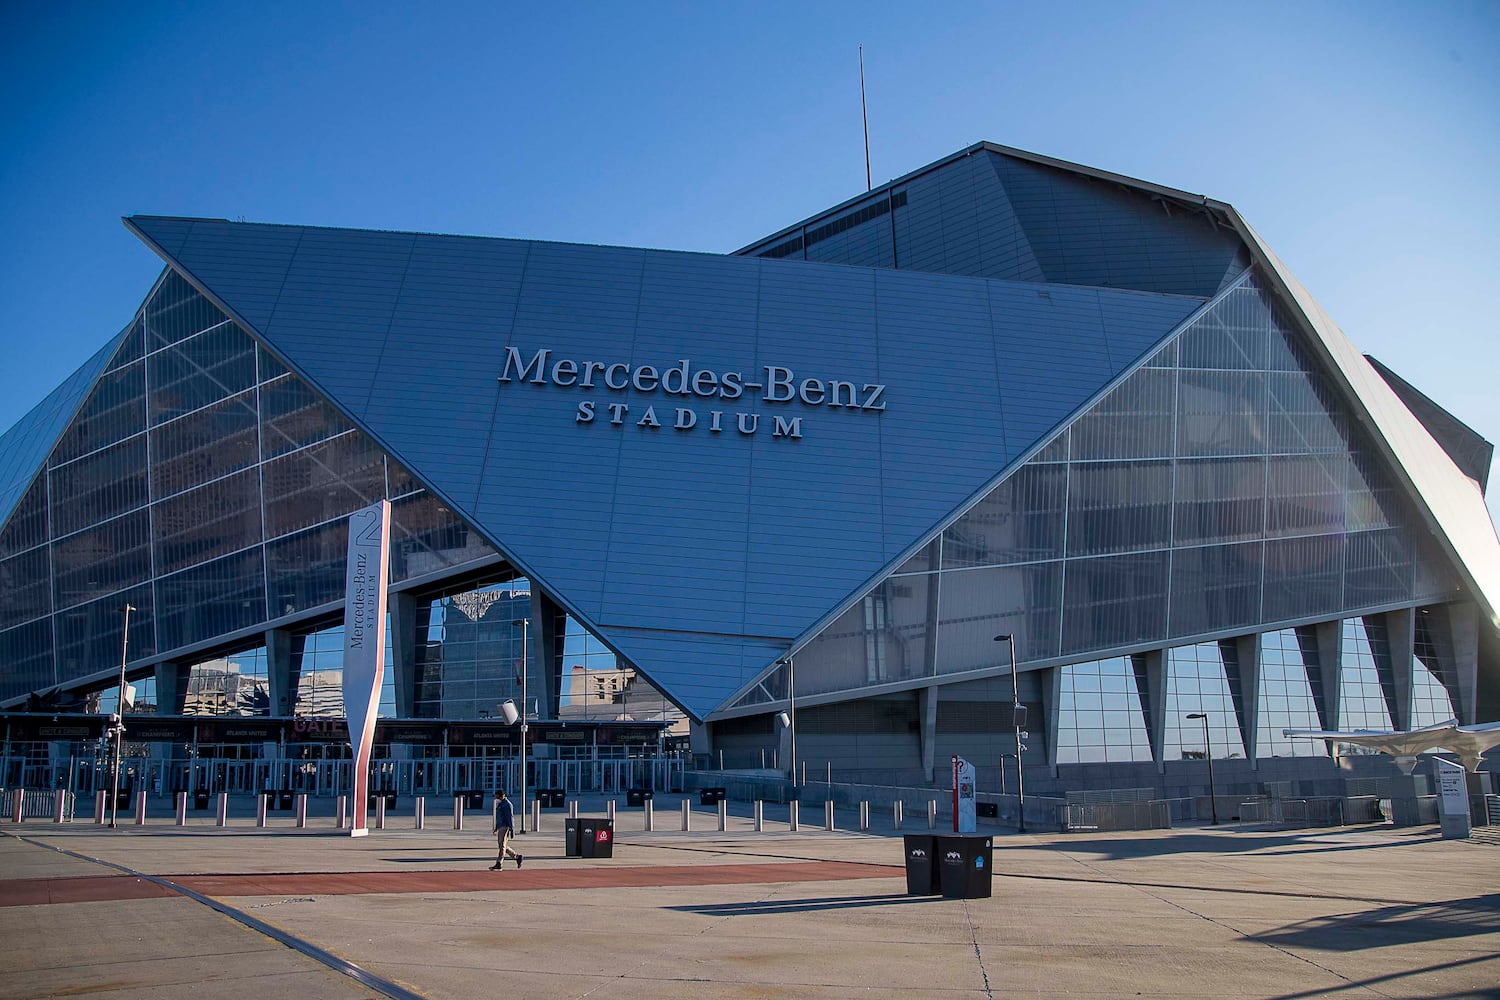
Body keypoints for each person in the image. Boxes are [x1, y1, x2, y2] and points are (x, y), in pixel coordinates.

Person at [491, 790, 524, 870]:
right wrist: (496, 828)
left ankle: (499, 863)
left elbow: (510, 817)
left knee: (502, 845)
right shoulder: (500, 804)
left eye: (497, 796)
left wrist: (512, 829)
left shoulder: (507, 804)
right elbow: (499, 817)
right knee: (502, 845)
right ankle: (517, 856)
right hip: (500, 826)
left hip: (505, 826)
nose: (496, 797)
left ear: (501, 795)